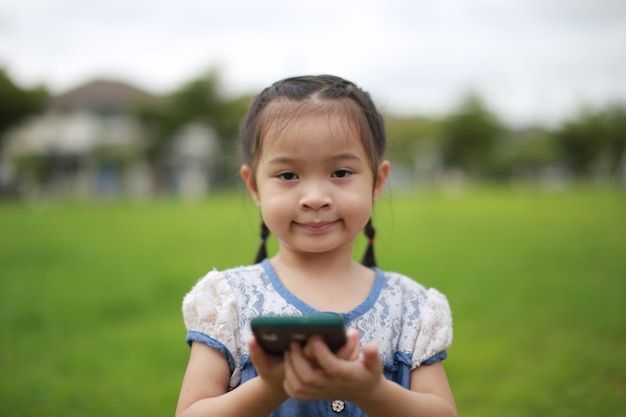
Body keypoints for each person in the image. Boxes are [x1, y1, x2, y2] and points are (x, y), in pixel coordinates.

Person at [175, 75, 456, 417]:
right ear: (255, 186)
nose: (315, 198)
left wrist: (372, 392)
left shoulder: (410, 307)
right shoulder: (227, 301)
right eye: (288, 175)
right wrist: (272, 386)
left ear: (378, 181)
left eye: (340, 173)